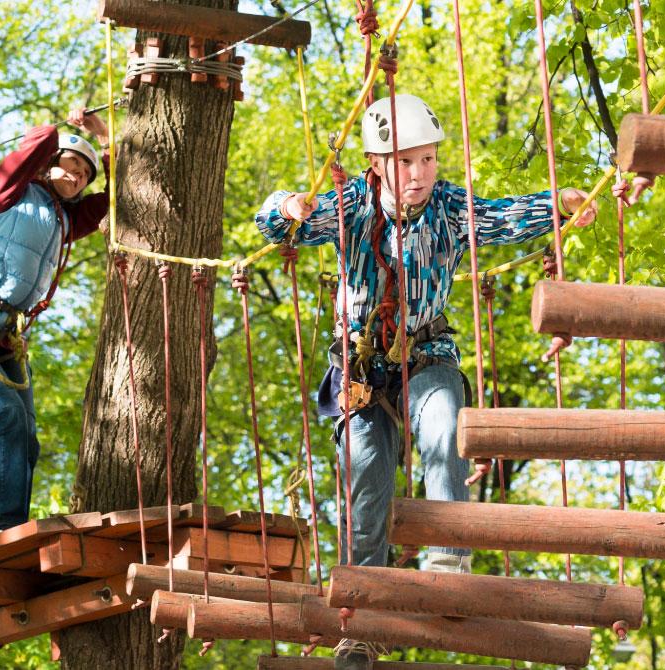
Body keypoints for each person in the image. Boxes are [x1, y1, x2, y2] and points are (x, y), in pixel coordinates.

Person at [251, 93, 597, 669]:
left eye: (429, 160)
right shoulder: (352, 206)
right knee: (367, 486)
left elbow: (505, 216)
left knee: (442, 433)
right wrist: (285, 205)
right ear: (378, 163)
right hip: (361, 367)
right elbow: (280, 225)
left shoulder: (450, 209)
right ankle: (359, 622)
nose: (419, 175)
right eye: (406, 162)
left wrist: (557, 205)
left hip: (427, 352)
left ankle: (446, 566)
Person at [0, 108, 111, 541]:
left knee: (26, 436)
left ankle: (11, 526)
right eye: (72, 166)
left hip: (6, 339)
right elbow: (42, 139)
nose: (78, 178)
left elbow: (120, 195)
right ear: (50, 164)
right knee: (8, 415)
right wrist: (62, 130)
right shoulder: (4, 192)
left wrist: (104, 139)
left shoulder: (65, 222)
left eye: (85, 175)